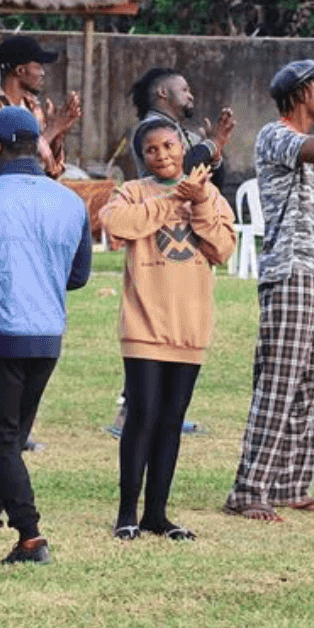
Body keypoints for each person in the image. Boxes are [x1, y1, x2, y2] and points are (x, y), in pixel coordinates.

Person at [0, 107, 93, 566]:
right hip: (47, 334)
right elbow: (78, 277)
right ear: (38, 146)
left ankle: (31, 537)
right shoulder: (70, 201)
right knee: (9, 441)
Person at [223, 59, 314, 523]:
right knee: (280, 381)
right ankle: (249, 487)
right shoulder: (276, 136)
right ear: (300, 94)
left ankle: (291, 484)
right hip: (290, 271)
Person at [100, 120, 237, 541]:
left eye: (169, 145)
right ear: (143, 157)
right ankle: (127, 512)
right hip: (145, 323)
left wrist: (197, 204)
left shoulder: (209, 194)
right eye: (152, 149)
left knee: (171, 419)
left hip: (189, 328)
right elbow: (116, 223)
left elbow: (223, 248)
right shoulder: (135, 192)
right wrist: (171, 201)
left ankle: (156, 514)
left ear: (184, 147)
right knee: (141, 416)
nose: (162, 154)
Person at [0, 35, 82, 178]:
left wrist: (59, 134)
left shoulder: (34, 108)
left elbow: (54, 171)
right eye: (38, 66)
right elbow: (4, 167)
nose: (43, 73)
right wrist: (52, 130)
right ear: (20, 70)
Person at [128, 65, 237, 185]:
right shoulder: (150, 128)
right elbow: (175, 169)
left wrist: (215, 155)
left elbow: (215, 186)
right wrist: (212, 143)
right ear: (163, 92)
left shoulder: (182, 133)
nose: (191, 96)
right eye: (184, 90)